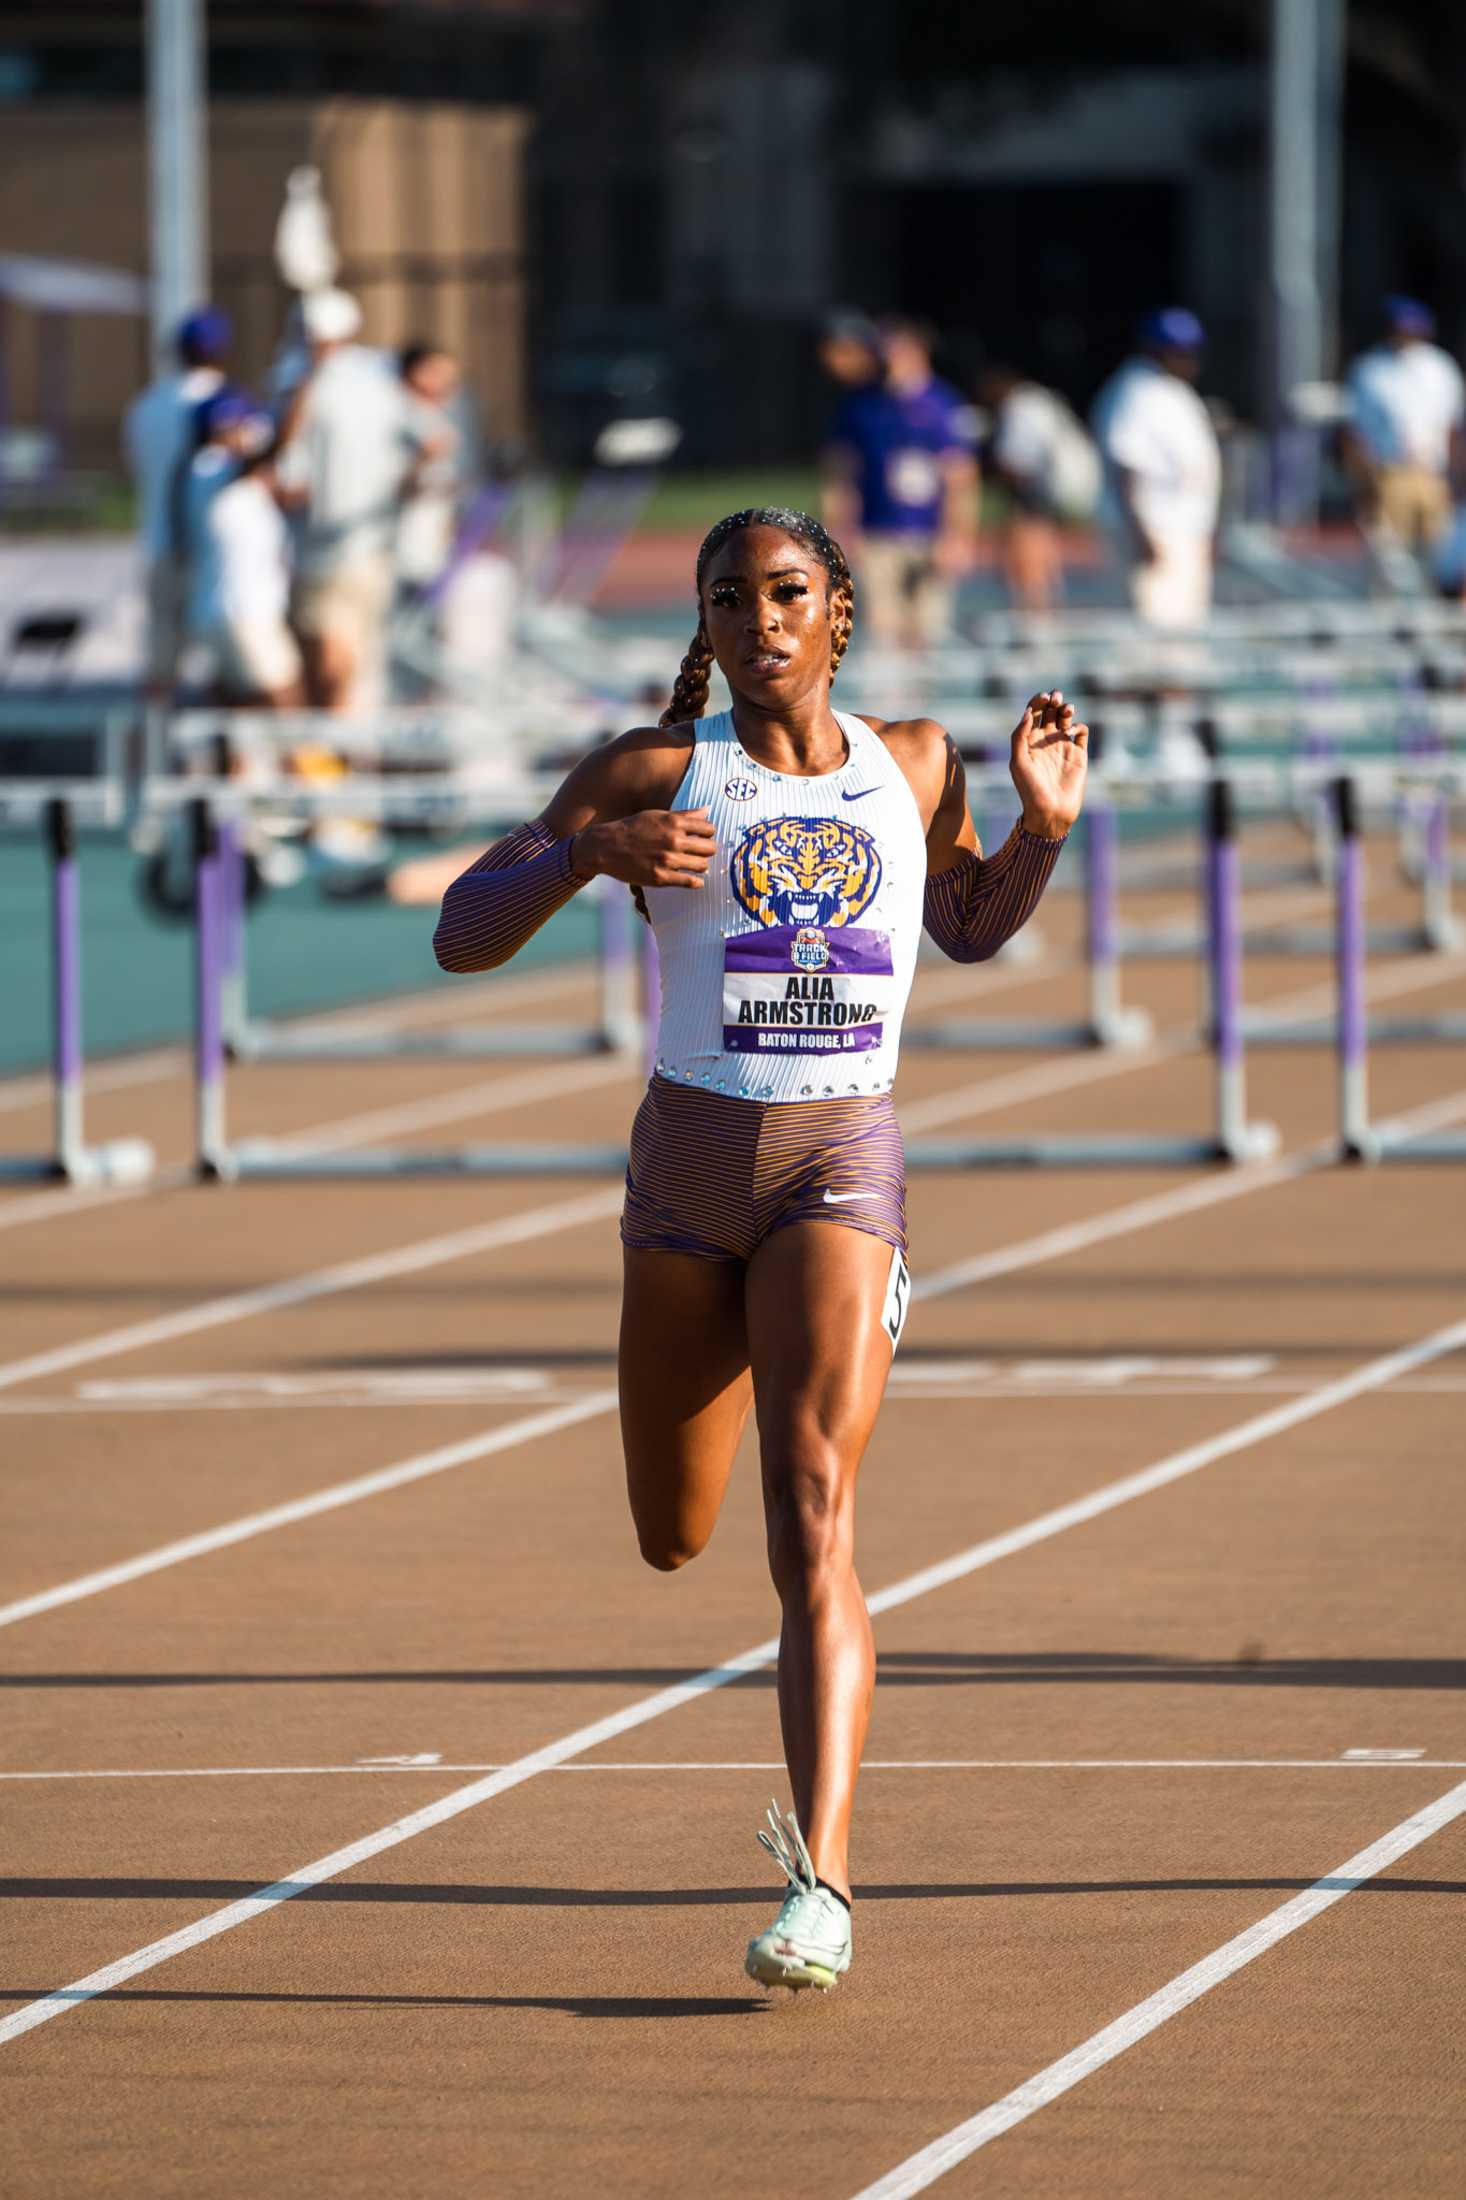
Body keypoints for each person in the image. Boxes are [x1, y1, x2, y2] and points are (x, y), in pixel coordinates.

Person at [431, 507, 1086, 1991]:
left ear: (838, 611)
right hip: (686, 1170)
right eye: (729, 599)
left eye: (787, 593)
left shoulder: (913, 761)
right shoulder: (650, 774)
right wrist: (585, 854)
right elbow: (461, 933)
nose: (760, 620)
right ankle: (811, 1837)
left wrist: (1042, 827)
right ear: (707, 628)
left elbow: (968, 928)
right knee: (673, 1533)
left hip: (839, 1163)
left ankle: (825, 1886)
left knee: (813, 1510)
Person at [272, 288, 428, 711]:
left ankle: (339, 759)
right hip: (369, 545)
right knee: (359, 661)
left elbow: (287, 476)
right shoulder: (379, 378)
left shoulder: (300, 379)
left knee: (329, 664)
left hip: (324, 550)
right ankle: (351, 755)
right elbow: (432, 443)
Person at [822, 320, 981, 651]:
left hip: (928, 532)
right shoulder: (862, 406)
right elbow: (842, 472)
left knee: (929, 629)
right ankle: (888, 701)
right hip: (879, 533)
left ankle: (920, 702)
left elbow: (960, 477)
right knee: (880, 629)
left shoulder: (942, 404)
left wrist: (957, 535)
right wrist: (839, 530)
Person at [123, 306, 231, 699]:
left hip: (161, 546)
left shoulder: (147, 405)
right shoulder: (230, 405)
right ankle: (224, 758)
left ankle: (156, 752)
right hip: (215, 553)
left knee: (162, 666)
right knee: (225, 669)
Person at [1091, 308, 1221, 630]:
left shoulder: (1170, 390)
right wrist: (1142, 534)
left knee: (1182, 641)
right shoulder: (1135, 392)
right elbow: (1128, 467)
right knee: (1151, 647)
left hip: (1181, 531)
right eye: (1180, 352)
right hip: (1154, 535)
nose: (1190, 360)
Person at [178, 388, 303, 708]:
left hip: (221, 611)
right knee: (287, 707)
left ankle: (245, 762)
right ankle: (307, 761)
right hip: (244, 612)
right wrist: (311, 381)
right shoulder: (210, 467)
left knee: (241, 719)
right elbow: (268, 453)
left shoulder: (215, 477)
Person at [1343, 297, 1466, 576]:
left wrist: (1457, 477)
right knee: (1390, 557)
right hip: (1390, 471)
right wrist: (1364, 481)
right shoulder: (1371, 370)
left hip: (1433, 472)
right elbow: (1357, 431)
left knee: (1441, 553)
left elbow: (1453, 426)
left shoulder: (1439, 368)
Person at [980, 363, 1101, 614]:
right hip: (1060, 487)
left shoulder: (1021, 407)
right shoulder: (1042, 401)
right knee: (1041, 554)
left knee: (1030, 554)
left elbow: (1015, 460)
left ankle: (1034, 609)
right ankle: (1041, 601)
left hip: (1040, 491)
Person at [396, 341, 465, 600]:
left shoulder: (438, 419)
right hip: (398, 548)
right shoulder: (397, 415)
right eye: (439, 373)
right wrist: (423, 459)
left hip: (430, 548)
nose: (449, 383)